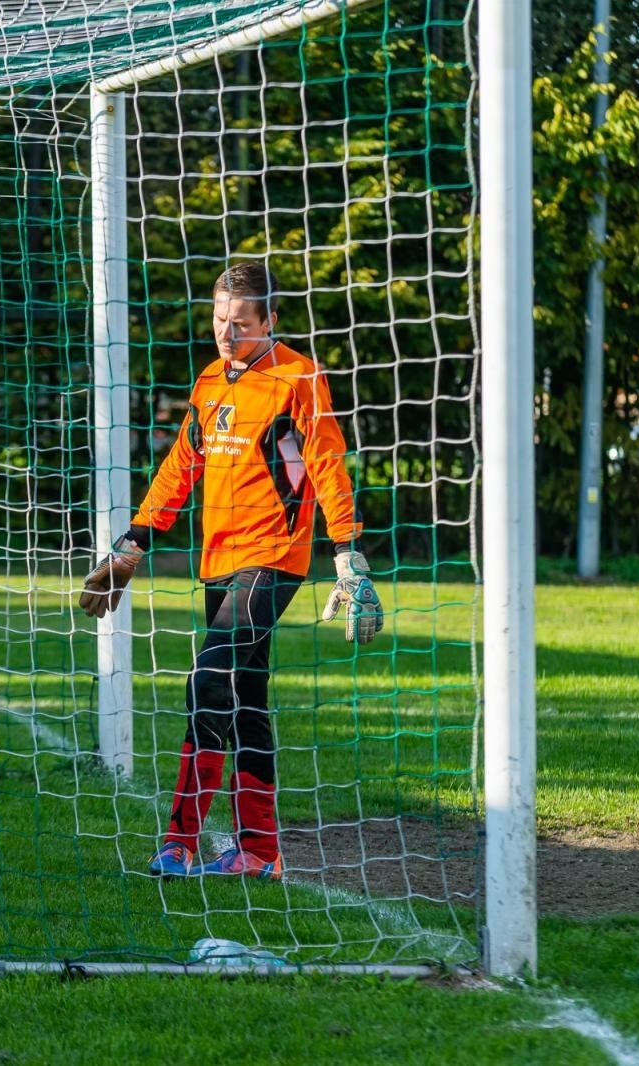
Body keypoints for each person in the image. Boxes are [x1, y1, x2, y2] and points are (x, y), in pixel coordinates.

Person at [77, 261, 383, 880]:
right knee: (244, 699)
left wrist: (347, 552)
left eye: (240, 322)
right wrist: (134, 542)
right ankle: (260, 853)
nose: (226, 332)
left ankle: (178, 842)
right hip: (217, 562)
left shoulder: (298, 378)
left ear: (270, 321)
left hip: (273, 556)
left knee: (208, 679)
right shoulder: (210, 381)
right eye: (219, 319)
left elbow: (327, 463)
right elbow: (180, 465)